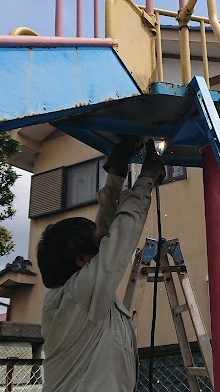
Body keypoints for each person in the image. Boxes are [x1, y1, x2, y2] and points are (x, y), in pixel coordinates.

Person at [37, 138, 166, 392]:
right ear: (81, 260)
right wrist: (147, 178)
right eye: (96, 244)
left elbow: (105, 235)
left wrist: (116, 175)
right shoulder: (81, 294)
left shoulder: (77, 294)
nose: (103, 242)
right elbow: (121, 233)